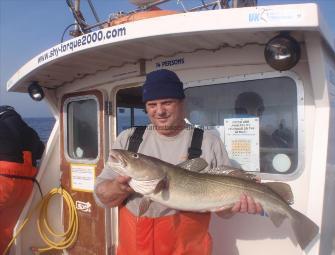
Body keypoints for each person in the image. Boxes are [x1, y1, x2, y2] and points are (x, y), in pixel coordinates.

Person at [94, 69, 263, 255]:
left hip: (187, 249)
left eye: (167, 102)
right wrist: (120, 187)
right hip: (134, 248)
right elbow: (102, 197)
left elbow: (224, 212)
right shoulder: (129, 139)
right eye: (152, 104)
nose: (159, 111)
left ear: (182, 103)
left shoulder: (209, 142)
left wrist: (236, 205)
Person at [0, 106, 45, 254]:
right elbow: (40, 150)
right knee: (6, 227)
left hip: (3, 180)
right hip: (25, 184)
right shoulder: (26, 130)